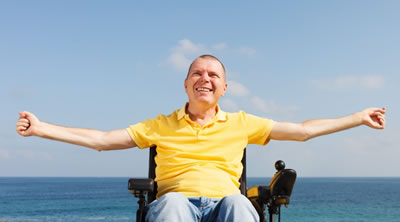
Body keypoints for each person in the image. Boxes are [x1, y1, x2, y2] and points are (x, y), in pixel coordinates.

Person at [16, 55, 386, 222]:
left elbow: (303, 131)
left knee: (242, 207)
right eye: (197, 72)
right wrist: (42, 127)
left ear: (224, 87)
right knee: (175, 207)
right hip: (177, 205)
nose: (205, 78)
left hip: (225, 204)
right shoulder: (161, 124)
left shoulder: (241, 122)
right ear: (186, 84)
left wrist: (357, 117)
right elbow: (101, 139)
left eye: (213, 74)